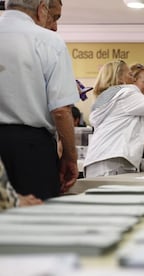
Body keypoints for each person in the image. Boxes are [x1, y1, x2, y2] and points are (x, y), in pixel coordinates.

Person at [0, 0, 79, 199]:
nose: (54, 26)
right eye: (54, 17)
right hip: (31, 149)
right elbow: (61, 110)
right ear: (42, 8)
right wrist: (70, 157)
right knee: (36, 220)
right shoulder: (49, 41)